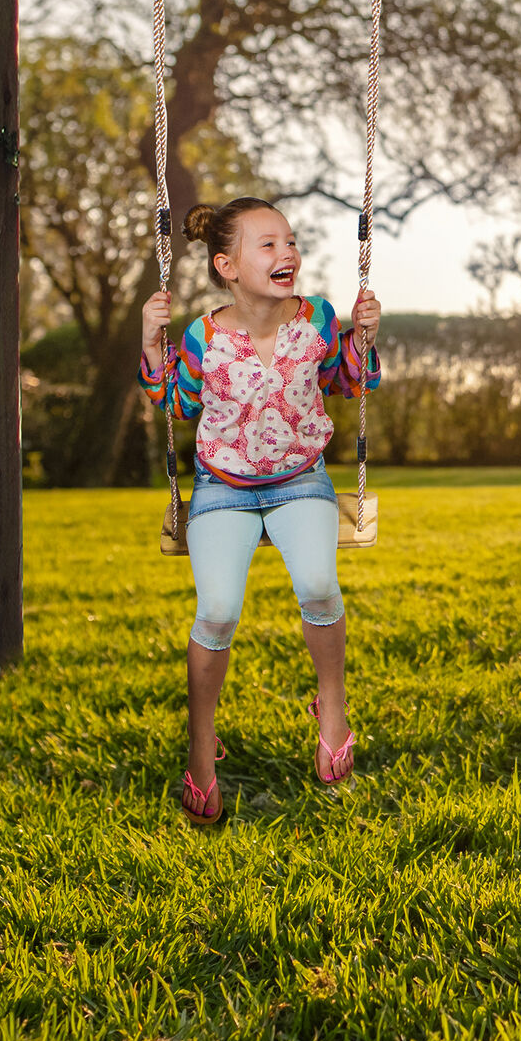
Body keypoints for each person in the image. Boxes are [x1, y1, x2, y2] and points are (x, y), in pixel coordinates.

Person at [139, 196, 381, 825]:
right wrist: (149, 339)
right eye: (268, 245)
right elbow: (171, 399)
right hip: (223, 488)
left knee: (320, 587)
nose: (287, 254)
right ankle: (200, 741)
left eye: (291, 242)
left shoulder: (319, 319)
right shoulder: (203, 336)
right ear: (227, 265)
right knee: (216, 611)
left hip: (302, 479)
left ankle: (332, 703)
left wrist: (364, 339)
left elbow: (349, 383)